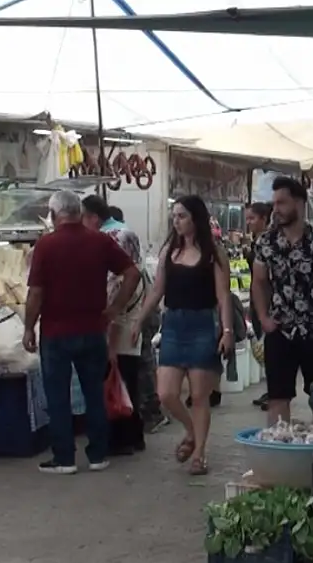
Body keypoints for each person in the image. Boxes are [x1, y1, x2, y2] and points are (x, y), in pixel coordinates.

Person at [23, 191, 142, 475]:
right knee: (94, 393)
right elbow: (133, 273)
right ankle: (98, 454)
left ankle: (64, 458)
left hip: (56, 332)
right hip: (93, 330)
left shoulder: (46, 245)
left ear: (53, 215)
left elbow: (36, 292)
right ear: (79, 212)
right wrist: (114, 308)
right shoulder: (99, 241)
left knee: (58, 395)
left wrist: (29, 327)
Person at [129, 196, 231, 475]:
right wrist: (138, 321)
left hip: (202, 324)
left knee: (199, 395)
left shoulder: (213, 253)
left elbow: (223, 296)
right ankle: (190, 430)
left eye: (182, 216)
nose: (176, 221)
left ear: (195, 218)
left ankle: (199, 453)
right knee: (167, 394)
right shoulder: (169, 252)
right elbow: (157, 290)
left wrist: (227, 330)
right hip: (173, 325)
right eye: (174, 216)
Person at [252, 176, 313, 425]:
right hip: (279, 330)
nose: (276, 209)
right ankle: (278, 452)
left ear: (300, 203)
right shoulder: (266, 243)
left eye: (282, 203)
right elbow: (258, 282)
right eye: (274, 203)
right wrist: (263, 318)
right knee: (277, 397)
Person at [81, 195, 146, 456]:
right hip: (130, 313)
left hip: (119, 315)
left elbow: (118, 281)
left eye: (83, 218)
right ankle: (133, 435)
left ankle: (122, 438)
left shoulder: (110, 237)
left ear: (93, 217)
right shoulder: (124, 232)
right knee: (126, 375)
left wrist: (112, 314)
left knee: (116, 377)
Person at [245, 202, 273, 410]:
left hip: (268, 299)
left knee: (271, 347)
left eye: (252, 218)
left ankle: (275, 392)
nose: (248, 223)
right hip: (256, 298)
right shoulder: (257, 241)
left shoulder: (270, 241)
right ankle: (271, 389)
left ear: (264, 219)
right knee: (264, 347)